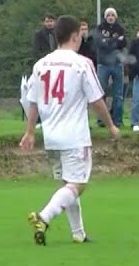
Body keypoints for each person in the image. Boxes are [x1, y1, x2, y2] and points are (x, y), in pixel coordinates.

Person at [22, 15, 119, 245]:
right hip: (74, 136)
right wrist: (111, 126)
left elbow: (32, 101)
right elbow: (97, 100)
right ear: (75, 36)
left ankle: (78, 234)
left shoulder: (41, 64)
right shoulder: (81, 63)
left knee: (68, 185)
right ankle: (43, 217)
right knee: (78, 185)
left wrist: (30, 132)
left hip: (51, 136)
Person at [95, 7, 128, 127]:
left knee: (118, 94)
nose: (110, 17)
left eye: (112, 15)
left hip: (117, 64)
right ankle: (101, 120)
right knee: (101, 93)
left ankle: (117, 120)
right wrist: (115, 40)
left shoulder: (120, 28)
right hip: (103, 64)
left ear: (115, 17)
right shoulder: (99, 28)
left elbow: (123, 43)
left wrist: (108, 41)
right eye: (108, 15)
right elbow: (99, 43)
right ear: (105, 17)